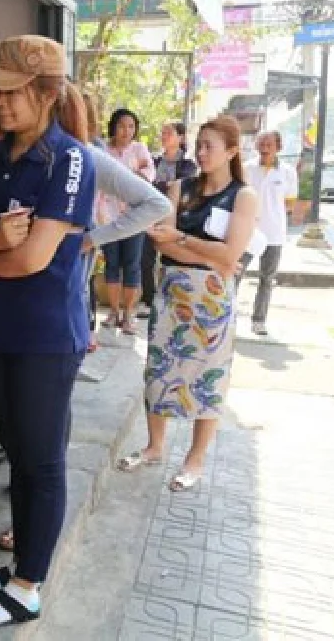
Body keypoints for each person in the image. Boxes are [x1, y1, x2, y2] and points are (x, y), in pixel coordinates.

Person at [0, 36, 96, 630]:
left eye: (10, 93)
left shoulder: (69, 160)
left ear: (47, 94)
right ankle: (18, 568)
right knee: (19, 462)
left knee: (41, 461)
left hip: (46, 335)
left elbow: (33, 260)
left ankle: (28, 584)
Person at [118, 115, 256, 492]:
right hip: (172, 292)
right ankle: (154, 446)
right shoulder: (181, 187)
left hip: (211, 300)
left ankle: (194, 459)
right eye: (200, 144)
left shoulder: (243, 196)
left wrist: (184, 240)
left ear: (231, 151)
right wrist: (208, 254)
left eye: (210, 145)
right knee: (160, 371)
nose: (201, 151)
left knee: (208, 380)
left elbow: (232, 255)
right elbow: (161, 242)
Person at [100, 107, 155, 334]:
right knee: (112, 265)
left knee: (132, 266)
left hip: (135, 216)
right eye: (122, 125)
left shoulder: (139, 149)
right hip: (108, 216)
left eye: (131, 126)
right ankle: (113, 312)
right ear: (113, 126)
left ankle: (128, 315)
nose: (126, 130)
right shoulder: (103, 148)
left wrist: (130, 174)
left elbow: (149, 175)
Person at [138, 121, 198, 316]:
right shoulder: (153, 160)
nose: (163, 136)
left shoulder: (188, 164)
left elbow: (181, 187)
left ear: (180, 138)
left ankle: (174, 299)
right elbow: (144, 183)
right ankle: (148, 300)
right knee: (145, 259)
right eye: (162, 132)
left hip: (176, 219)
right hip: (150, 216)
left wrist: (159, 186)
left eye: (169, 133)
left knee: (171, 259)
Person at [244, 131, 296, 335]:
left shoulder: (287, 172)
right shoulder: (246, 168)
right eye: (261, 142)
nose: (265, 146)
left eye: (269, 143)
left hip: (274, 233)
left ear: (278, 147)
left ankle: (259, 320)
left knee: (266, 279)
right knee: (235, 275)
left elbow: (290, 203)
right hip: (248, 231)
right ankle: (227, 317)